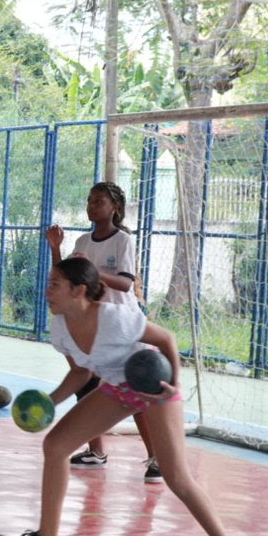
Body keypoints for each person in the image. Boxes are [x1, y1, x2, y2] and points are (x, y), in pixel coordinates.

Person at [0, 256, 252, 536]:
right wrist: (49, 403)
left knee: (177, 478)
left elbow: (166, 340)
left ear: (79, 290)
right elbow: (81, 372)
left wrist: (172, 385)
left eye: (55, 285)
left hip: (153, 388)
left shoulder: (115, 319)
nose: (47, 292)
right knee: (55, 446)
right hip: (117, 388)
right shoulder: (60, 326)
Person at [49, 180, 161, 483]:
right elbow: (65, 277)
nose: (91, 206)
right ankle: (96, 452)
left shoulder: (122, 240)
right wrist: (56, 250)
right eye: (89, 200)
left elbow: (125, 283)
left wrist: (92, 271)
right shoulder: (83, 241)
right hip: (89, 323)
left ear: (115, 208)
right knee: (85, 386)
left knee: (134, 391)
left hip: (120, 323)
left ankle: (156, 457)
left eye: (98, 201)